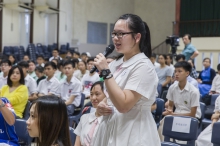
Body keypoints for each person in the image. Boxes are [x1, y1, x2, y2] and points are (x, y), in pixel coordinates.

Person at [92, 14, 160, 146]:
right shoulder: (115, 63)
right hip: (110, 127)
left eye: (121, 34)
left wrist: (105, 72)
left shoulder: (144, 66)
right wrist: (103, 104)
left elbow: (124, 105)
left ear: (137, 37)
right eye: (114, 34)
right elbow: (111, 95)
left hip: (133, 131)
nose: (116, 38)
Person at [158, 61, 201, 141]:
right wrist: (169, 111)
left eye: (179, 71)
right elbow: (170, 105)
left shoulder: (194, 91)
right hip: (176, 114)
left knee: (178, 132)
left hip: (191, 118)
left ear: (187, 73)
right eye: (175, 71)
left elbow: (192, 114)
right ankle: (163, 143)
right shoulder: (172, 88)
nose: (176, 74)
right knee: (163, 122)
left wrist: (173, 114)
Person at [74, 81, 105, 146]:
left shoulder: (109, 121)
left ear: (107, 95)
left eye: (97, 94)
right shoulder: (84, 118)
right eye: (91, 94)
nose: (93, 98)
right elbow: (77, 143)